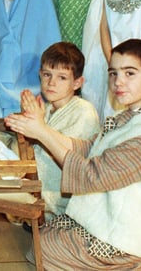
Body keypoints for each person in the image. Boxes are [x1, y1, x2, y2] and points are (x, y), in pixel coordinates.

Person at [5, 39, 141, 270]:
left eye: (129, 73)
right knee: (48, 235)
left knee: (43, 251)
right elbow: (89, 148)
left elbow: (91, 176)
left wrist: (41, 132)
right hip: (128, 218)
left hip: (134, 234)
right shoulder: (133, 116)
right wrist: (41, 129)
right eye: (113, 73)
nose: (118, 82)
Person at [20, 42, 99, 221]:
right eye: (47, 74)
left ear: (77, 82)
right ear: (40, 75)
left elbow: (68, 158)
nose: (51, 83)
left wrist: (38, 126)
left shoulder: (83, 111)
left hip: (62, 207)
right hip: (38, 192)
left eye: (62, 77)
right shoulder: (46, 108)